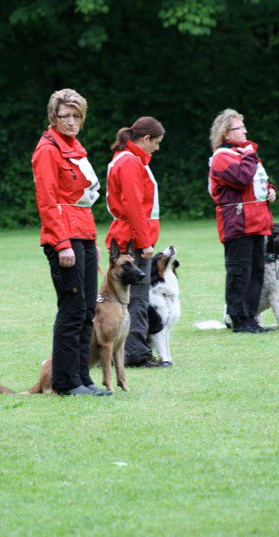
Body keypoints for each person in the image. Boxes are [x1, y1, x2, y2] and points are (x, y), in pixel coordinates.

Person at [32, 89, 111, 396]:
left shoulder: (75, 148)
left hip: (85, 233)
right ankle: (65, 383)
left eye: (76, 116)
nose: (71, 121)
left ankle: (82, 379)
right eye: (64, 116)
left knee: (86, 309)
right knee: (72, 309)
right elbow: (47, 200)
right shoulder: (48, 150)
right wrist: (62, 243)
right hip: (64, 237)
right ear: (53, 117)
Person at [209, 108, 276, 334]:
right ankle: (238, 319)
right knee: (239, 271)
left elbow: (259, 179)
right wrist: (249, 154)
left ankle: (251, 318)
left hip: (258, 220)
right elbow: (242, 178)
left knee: (256, 270)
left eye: (244, 126)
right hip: (238, 222)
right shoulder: (222, 157)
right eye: (240, 127)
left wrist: (270, 189)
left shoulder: (245, 153)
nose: (245, 131)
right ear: (226, 133)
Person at [106, 116, 165, 367]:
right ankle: (137, 354)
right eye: (157, 142)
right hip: (133, 239)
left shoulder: (127, 159)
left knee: (127, 298)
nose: (157, 148)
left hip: (127, 235)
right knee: (138, 298)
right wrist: (145, 241)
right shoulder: (130, 162)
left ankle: (128, 350)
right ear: (146, 138)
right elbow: (133, 205)